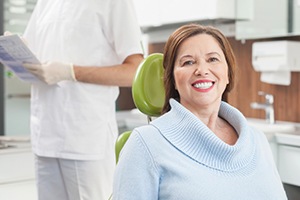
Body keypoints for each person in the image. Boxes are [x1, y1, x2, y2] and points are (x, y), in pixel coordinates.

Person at [112, 23, 287, 200]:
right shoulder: (145, 144)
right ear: (172, 79)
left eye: (212, 59)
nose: (202, 70)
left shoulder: (257, 140)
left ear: (227, 73)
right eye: (188, 62)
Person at [15, 0, 144, 200]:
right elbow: (33, 49)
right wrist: (16, 51)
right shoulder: (46, 3)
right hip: (45, 136)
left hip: (85, 140)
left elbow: (134, 71)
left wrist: (71, 72)